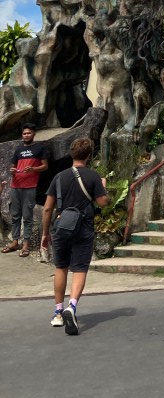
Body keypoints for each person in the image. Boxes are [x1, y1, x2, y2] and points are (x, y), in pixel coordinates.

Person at [41, 137, 108, 334]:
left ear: (72, 154)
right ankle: (72, 305)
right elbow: (103, 202)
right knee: (79, 269)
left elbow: (47, 209)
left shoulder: (59, 177)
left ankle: (58, 312)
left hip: (61, 226)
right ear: (88, 155)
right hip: (83, 227)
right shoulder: (93, 176)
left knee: (61, 267)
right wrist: (103, 186)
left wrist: (46, 233)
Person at [1, 122, 49, 257]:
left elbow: (45, 166)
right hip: (15, 185)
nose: (26, 135)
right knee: (15, 215)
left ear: (33, 134)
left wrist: (33, 169)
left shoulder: (39, 148)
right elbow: (12, 167)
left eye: (28, 133)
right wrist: (12, 170)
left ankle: (26, 244)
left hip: (30, 186)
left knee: (27, 216)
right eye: (24, 133)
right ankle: (15, 241)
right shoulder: (18, 150)